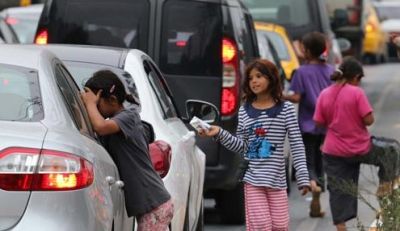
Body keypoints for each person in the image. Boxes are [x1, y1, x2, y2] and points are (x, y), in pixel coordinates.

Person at [199, 59, 311, 231]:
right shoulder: (245, 111)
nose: (254, 81)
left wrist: (303, 176)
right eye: (251, 78)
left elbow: (296, 143)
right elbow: (243, 147)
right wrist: (219, 133)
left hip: (277, 181)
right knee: (261, 226)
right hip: (253, 180)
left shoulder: (286, 109)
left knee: (280, 226)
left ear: (271, 78)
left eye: (259, 76)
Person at [80, 70, 173, 231]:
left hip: (154, 203)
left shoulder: (129, 117)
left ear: (113, 100)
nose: (95, 109)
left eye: (97, 104)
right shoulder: (115, 125)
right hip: (152, 204)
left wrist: (89, 104)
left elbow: (100, 127)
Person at [313, 57, 374, 231]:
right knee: (391, 152)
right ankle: (385, 186)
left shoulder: (324, 94)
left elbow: (318, 122)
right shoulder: (356, 93)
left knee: (337, 188)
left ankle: (340, 224)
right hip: (360, 148)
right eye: (360, 79)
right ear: (355, 77)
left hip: (333, 150)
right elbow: (369, 120)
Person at [284, 31, 333, 217]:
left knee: (306, 161)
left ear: (306, 51)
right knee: (320, 162)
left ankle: (312, 183)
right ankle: (317, 198)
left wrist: (279, 95)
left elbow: (296, 97)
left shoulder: (302, 72)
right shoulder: (330, 71)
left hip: (306, 125)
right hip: (326, 127)